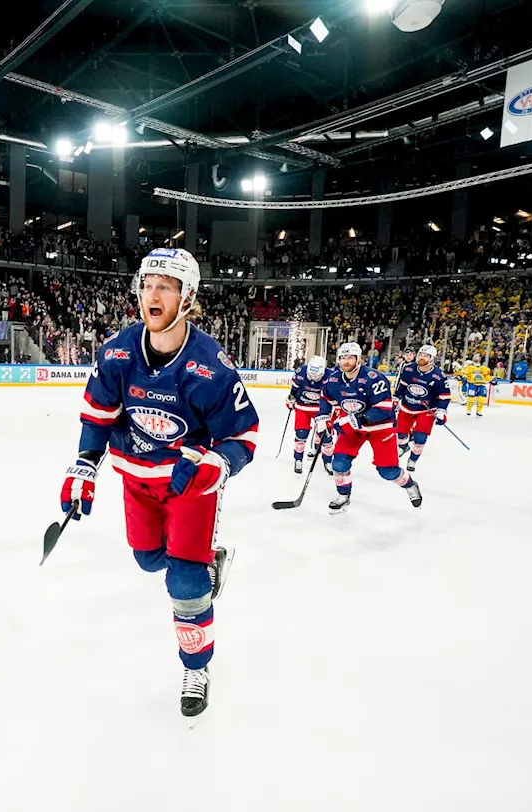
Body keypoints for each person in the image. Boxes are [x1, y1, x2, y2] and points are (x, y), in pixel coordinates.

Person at [59, 247, 259, 717]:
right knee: (149, 561)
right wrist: (85, 465)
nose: (153, 294)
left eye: (165, 286)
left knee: (184, 581)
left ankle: (196, 666)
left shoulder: (212, 366)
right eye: (148, 284)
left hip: (190, 485)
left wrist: (219, 463)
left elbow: (244, 435)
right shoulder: (117, 352)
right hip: (136, 482)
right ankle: (206, 561)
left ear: (187, 297)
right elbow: (98, 415)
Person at [317, 342, 423, 514]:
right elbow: (326, 399)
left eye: (350, 357)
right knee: (339, 464)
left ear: (359, 359)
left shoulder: (374, 378)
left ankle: (410, 485)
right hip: (353, 428)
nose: (346, 361)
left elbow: (383, 409)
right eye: (343, 357)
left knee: (388, 471)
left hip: (380, 428)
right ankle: (343, 496)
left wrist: (356, 419)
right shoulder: (334, 379)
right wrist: (323, 417)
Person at [394, 344, 451, 472]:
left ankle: (413, 459)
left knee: (420, 438)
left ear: (432, 358)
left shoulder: (438, 376)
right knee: (401, 435)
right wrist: (396, 398)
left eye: (425, 355)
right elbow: (402, 386)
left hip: (426, 410)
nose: (421, 357)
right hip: (406, 407)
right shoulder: (408, 369)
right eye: (420, 354)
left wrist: (441, 411)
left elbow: (444, 396)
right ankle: (403, 447)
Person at [286, 355, 334, 475]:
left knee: (326, 437)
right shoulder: (301, 372)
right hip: (303, 408)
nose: (313, 378)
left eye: (317, 375)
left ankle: (328, 461)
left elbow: (335, 394)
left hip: (321, 410)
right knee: (301, 434)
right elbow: (294, 390)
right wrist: (290, 399)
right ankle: (298, 460)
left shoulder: (331, 376)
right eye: (311, 374)